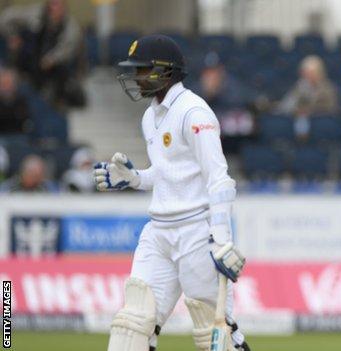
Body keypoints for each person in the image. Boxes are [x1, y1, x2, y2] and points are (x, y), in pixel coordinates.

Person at [92, 34, 249, 351]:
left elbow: (219, 179)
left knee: (215, 334)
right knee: (132, 326)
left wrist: (221, 239)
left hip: (195, 233)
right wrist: (135, 178)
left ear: (164, 72)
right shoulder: (150, 116)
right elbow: (167, 174)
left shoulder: (194, 113)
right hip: (158, 233)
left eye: (141, 70)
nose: (136, 77)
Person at [0, 0, 84, 107]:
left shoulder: (71, 27)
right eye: (52, 4)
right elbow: (6, 17)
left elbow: (67, 50)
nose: (54, 8)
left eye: (58, 5)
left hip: (53, 68)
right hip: (29, 60)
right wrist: (12, 36)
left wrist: (52, 59)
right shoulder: (34, 13)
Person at [194, 51, 257, 156]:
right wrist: (207, 95)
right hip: (204, 149)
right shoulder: (194, 92)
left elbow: (243, 121)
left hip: (231, 147)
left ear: (221, 71)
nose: (212, 77)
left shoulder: (235, 90)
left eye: (215, 72)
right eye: (208, 73)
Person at [277, 55, 339, 138]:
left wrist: (310, 110)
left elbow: (331, 106)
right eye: (306, 72)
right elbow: (288, 104)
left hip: (320, 121)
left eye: (311, 72)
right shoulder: (299, 86)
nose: (308, 75)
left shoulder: (328, 88)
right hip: (301, 120)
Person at [0, 66, 32, 135]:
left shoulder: (21, 100)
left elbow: (24, 119)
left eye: (9, 83)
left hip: (18, 135)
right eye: (4, 83)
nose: (6, 86)